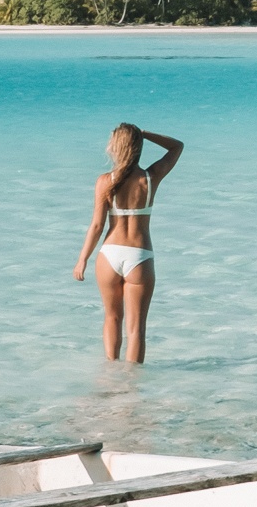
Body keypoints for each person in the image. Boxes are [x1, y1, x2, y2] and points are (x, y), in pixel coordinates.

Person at [73, 124, 183, 363]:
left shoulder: (105, 181)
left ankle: (111, 378)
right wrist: (146, 134)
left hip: (109, 255)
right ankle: (131, 389)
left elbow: (96, 226)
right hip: (139, 256)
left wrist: (82, 259)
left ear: (115, 147)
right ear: (137, 147)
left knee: (112, 318)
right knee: (136, 329)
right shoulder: (150, 178)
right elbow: (177, 146)